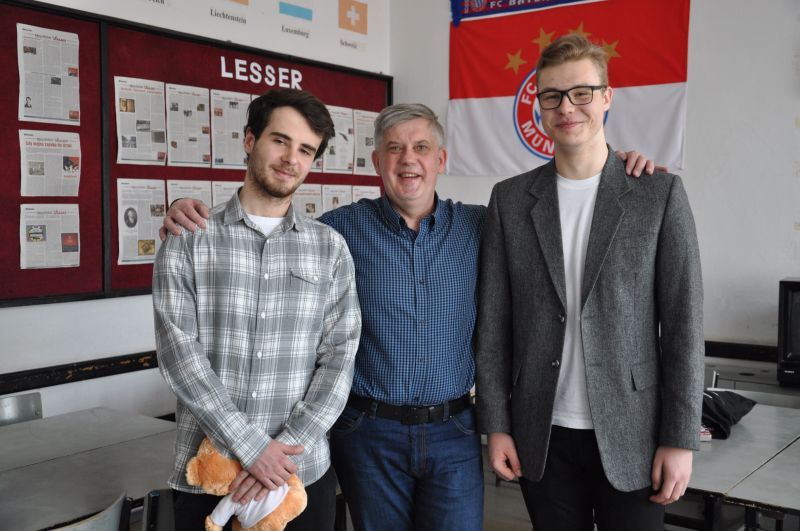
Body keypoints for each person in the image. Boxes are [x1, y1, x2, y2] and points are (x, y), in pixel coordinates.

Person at [161, 104, 655, 531]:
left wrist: (612, 169)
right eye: (394, 149)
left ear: (441, 159)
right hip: (368, 433)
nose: (408, 159)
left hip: (454, 430)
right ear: (377, 162)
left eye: (421, 147)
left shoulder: (482, 226)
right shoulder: (337, 233)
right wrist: (183, 209)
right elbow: (272, 222)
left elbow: (554, 216)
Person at [475, 35, 703, 531]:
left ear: (606, 97)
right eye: (552, 95)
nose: (566, 107)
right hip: (541, 433)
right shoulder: (509, 201)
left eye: (581, 93)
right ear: (539, 105)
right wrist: (496, 425)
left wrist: (680, 438)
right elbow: (494, 326)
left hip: (635, 432)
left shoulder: (658, 194)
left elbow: (684, 325)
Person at [152, 88, 361, 531]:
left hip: (299, 476)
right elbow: (179, 354)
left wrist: (281, 453)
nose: (291, 159)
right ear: (250, 140)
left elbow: (340, 359)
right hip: (209, 474)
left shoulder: (330, 248)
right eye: (280, 141)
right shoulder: (189, 239)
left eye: (305, 150)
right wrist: (251, 447)